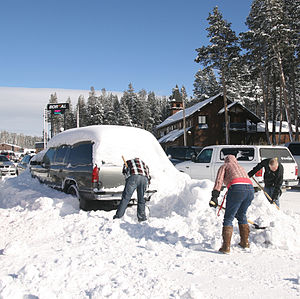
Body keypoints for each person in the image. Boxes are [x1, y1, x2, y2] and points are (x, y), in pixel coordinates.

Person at [209, 155, 254, 254]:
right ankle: (245, 242)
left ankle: (226, 247)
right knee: (242, 215)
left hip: (237, 189)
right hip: (250, 189)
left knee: (229, 218)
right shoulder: (240, 167)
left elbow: (219, 181)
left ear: (226, 161)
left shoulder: (224, 166)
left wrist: (214, 196)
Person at [113, 157, 151, 222]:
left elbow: (125, 172)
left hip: (133, 177)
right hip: (144, 178)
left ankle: (118, 216)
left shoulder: (128, 162)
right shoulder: (143, 163)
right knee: (141, 199)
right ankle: (142, 218)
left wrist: (127, 181)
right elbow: (148, 174)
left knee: (126, 198)